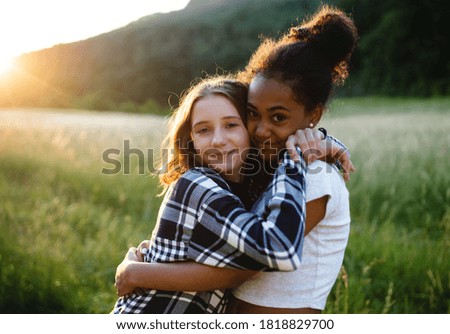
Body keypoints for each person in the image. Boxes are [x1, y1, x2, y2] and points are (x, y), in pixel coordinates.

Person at [114, 5, 358, 314]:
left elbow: (246, 267)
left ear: (313, 115)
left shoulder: (313, 174)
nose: (260, 129)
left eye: (278, 117)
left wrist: (136, 273)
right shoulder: (264, 172)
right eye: (252, 114)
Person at [112, 75, 308, 314]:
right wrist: (296, 156)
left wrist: (315, 138)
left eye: (231, 125)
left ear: (251, 129)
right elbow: (279, 248)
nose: (218, 140)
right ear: (191, 141)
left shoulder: (247, 191)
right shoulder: (197, 185)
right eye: (203, 130)